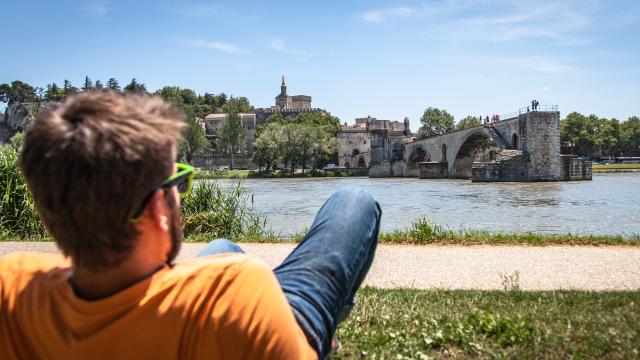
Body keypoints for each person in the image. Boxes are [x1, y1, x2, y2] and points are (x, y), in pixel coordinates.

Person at [0, 91, 381, 360]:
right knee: (354, 202)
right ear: (157, 209)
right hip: (258, 320)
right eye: (178, 181)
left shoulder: (12, 288)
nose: (181, 193)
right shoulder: (237, 287)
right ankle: (321, 333)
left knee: (221, 245)